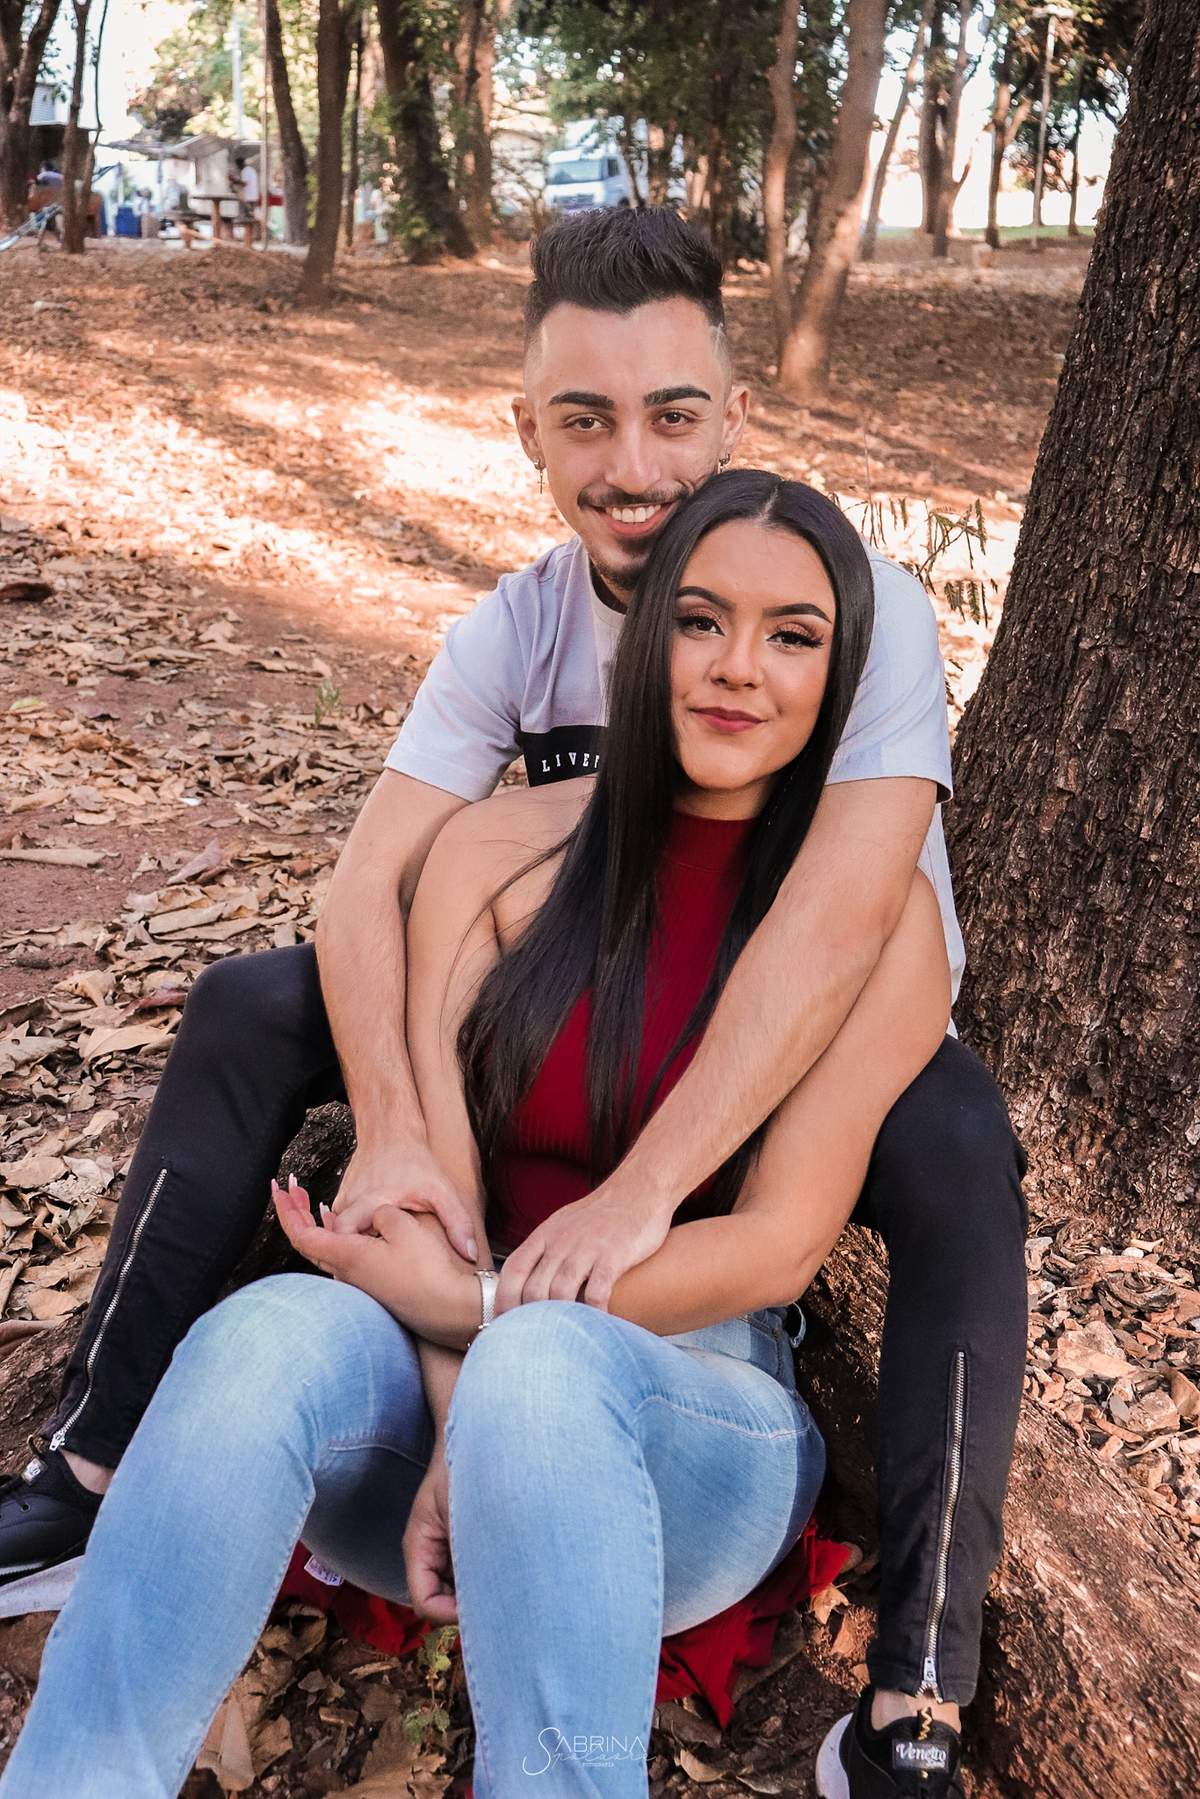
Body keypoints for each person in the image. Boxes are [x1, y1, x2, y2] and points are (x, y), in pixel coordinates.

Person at [0, 210, 1027, 1797]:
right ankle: (84, 1514)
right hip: (471, 1316)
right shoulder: (506, 789)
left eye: (788, 638)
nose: (736, 664)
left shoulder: (872, 676)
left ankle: (920, 1688)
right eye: (697, 624)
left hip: (688, 1348)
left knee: (944, 1144)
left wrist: (564, 1254)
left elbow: (822, 979)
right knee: (264, 1309)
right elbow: (377, 910)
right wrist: (410, 1163)